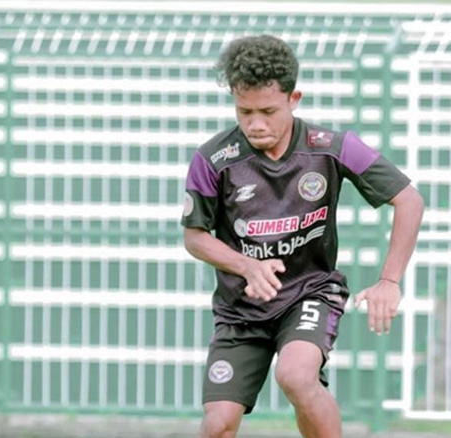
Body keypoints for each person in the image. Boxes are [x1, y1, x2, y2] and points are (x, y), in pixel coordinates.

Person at [181, 34, 424, 438]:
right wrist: (246, 266)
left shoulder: (333, 147)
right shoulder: (213, 160)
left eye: (267, 111)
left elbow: (409, 200)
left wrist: (389, 281)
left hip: (309, 293)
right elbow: (195, 236)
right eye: (244, 112)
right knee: (218, 425)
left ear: (294, 99)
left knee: (295, 375)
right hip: (241, 311)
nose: (255, 123)